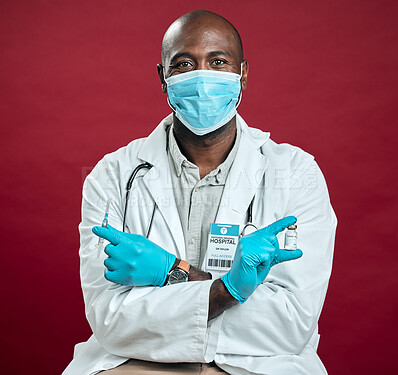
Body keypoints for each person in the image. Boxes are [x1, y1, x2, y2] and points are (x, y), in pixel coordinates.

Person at [63, 10, 337, 375]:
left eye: (218, 62)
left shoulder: (296, 173)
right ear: (163, 77)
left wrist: (172, 275)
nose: (202, 78)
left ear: (243, 74)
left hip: (259, 365)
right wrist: (229, 292)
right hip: (138, 362)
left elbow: (289, 324)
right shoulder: (112, 175)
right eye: (184, 64)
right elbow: (109, 318)